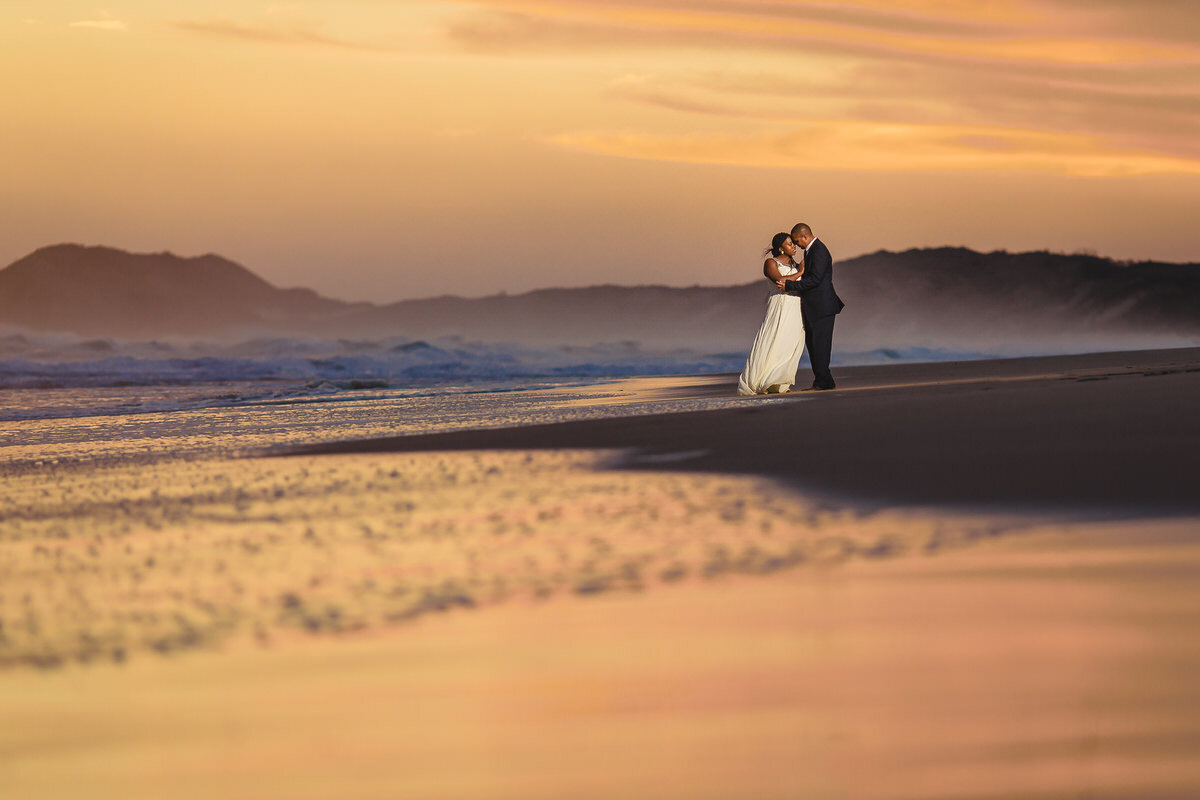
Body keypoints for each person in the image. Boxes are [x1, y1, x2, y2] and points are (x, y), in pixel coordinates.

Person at [776, 223, 844, 390]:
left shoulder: (819, 250)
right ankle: (824, 380)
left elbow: (815, 279)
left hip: (823, 306)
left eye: (798, 241)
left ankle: (823, 382)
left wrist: (789, 286)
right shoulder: (810, 250)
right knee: (813, 345)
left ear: (805, 237)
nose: (797, 245)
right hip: (814, 306)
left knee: (820, 345)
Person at [737, 233, 807, 395]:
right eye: (789, 244)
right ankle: (763, 380)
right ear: (780, 248)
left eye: (793, 244)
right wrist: (801, 271)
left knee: (790, 343)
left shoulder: (795, 264)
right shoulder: (770, 263)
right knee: (774, 338)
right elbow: (780, 281)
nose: (794, 247)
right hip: (780, 304)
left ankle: (779, 383)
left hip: (796, 305)